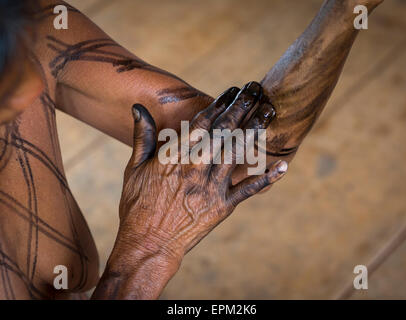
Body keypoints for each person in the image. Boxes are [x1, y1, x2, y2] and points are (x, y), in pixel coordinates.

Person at [0, 0, 384, 299]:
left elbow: (251, 156)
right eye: (9, 80)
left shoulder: (23, 21)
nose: (35, 86)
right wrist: (145, 253)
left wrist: (345, 11)